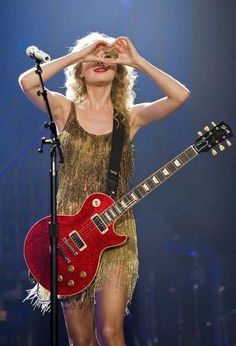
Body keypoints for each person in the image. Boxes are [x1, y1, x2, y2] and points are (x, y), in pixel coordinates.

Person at [19, 32, 190, 346]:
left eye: (108, 57)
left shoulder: (131, 117)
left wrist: (136, 60)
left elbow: (180, 96)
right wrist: (79, 53)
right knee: (81, 339)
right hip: (71, 234)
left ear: (119, 70)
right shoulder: (63, 109)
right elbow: (28, 83)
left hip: (116, 232)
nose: (101, 61)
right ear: (81, 69)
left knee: (110, 333)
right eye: (93, 58)